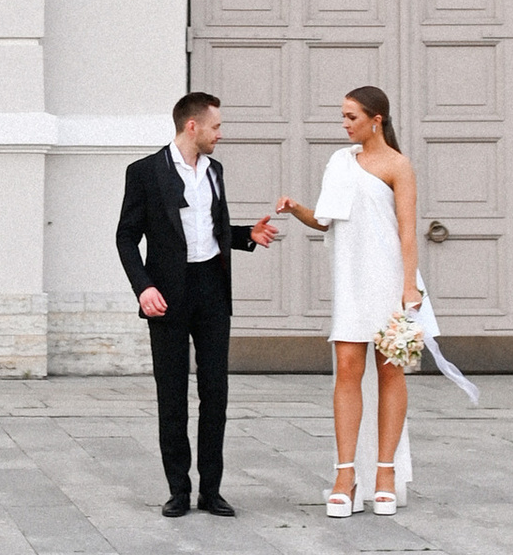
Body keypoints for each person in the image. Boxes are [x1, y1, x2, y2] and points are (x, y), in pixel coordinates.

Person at [117, 92, 275, 517]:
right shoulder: (146, 172)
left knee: (215, 393)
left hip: (211, 289)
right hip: (167, 294)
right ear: (193, 126)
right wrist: (143, 286)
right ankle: (178, 490)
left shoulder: (214, 171)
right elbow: (126, 237)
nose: (219, 134)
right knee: (172, 395)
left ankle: (212, 489)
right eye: (216, 127)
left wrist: (246, 236)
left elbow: (211, 229)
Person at [276, 85, 421, 518]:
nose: (344, 124)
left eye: (351, 117)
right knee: (347, 371)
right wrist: (296, 207)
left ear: (376, 119)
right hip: (351, 281)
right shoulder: (340, 163)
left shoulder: (399, 166)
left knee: (391, 373)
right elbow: (325, 220)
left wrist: (409, 287)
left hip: (390, 280)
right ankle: (344, 475)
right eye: (343, 116)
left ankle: (385, 475)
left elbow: (408, 230)